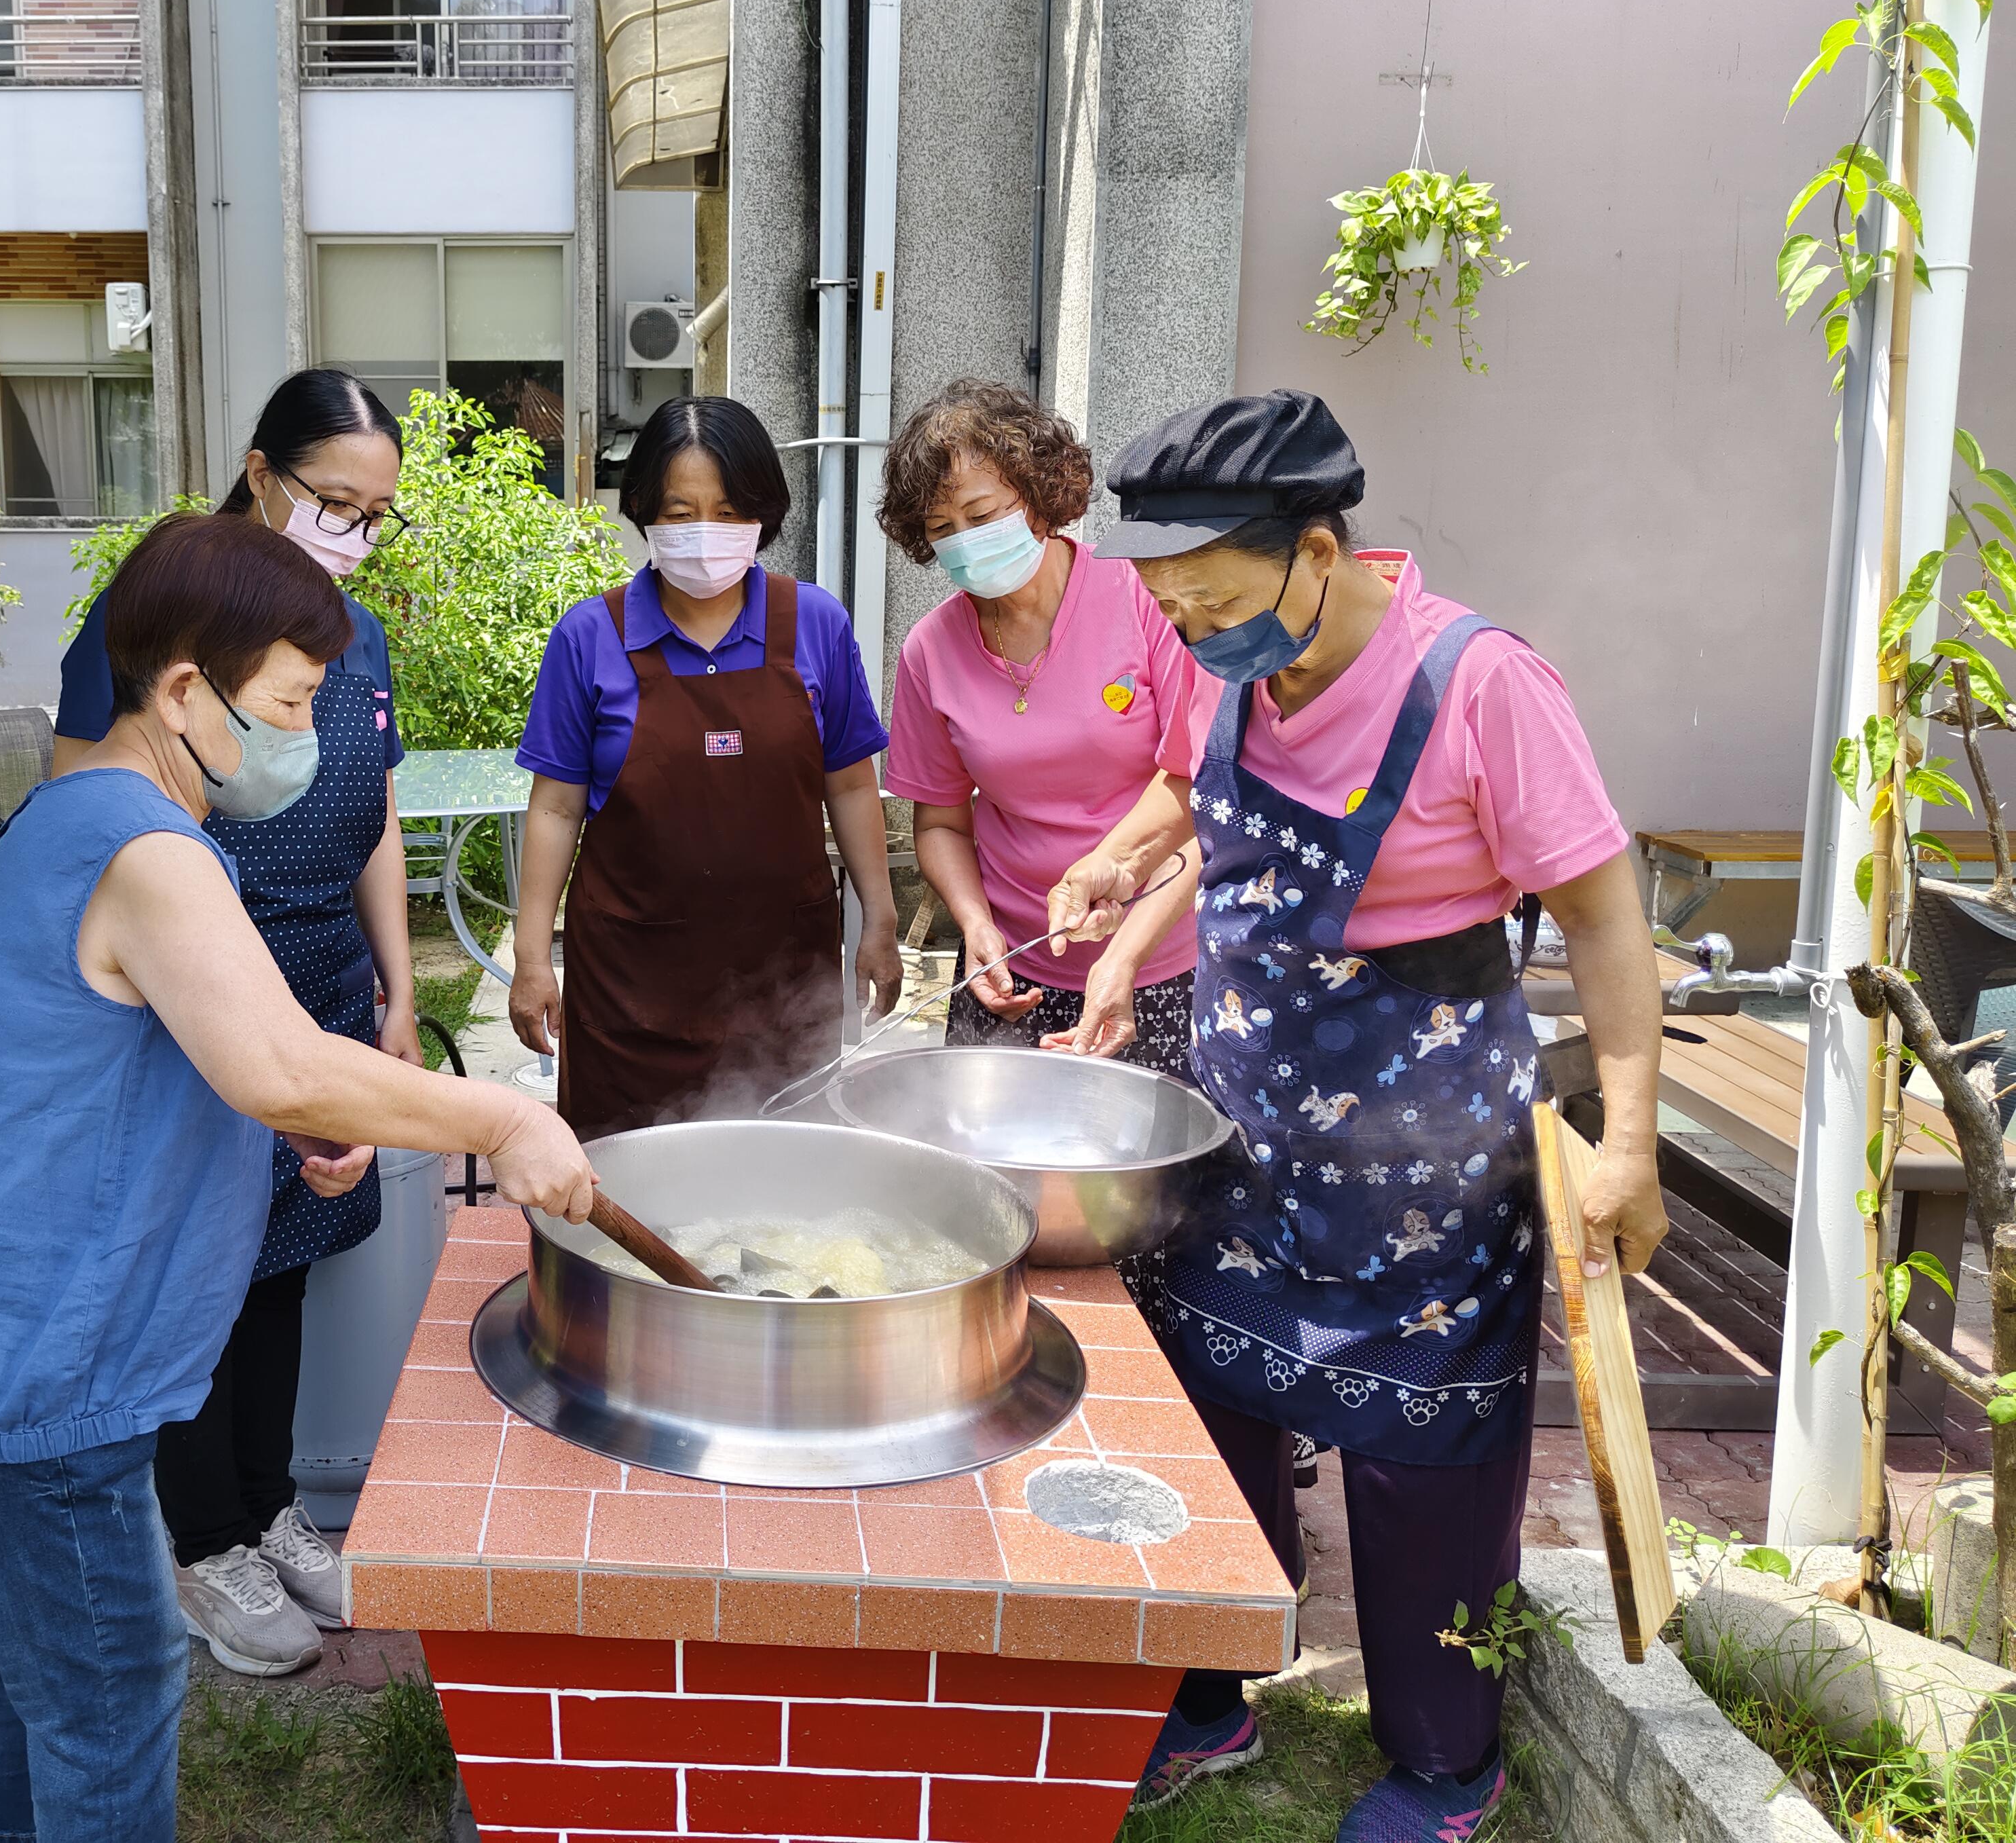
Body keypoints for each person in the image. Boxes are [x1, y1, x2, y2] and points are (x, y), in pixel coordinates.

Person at [0, 513, 597, 1843]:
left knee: (43, 1667)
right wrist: (498, 1118)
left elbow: (153, 1060)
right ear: (188, 691)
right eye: (293, 703)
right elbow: (276, 1058)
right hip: (27, 1373)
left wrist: (288, 1123)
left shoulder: (94, 817)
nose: (314, 737)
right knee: (113, 1684)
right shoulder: (145, 850)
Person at [1042, 391, 1667, 1843]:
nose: (1194, 637)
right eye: (1173, 611)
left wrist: (1629, 1144)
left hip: (1428, 1168)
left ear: (1321, 555)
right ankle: (1210, 1692)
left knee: (1422, 1463)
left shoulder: (1484, 686)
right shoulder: (1227, 667)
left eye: (1214, 604)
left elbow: (1603, 914)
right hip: (1248, 1133)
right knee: (1213, 1408)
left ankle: (1449, 1762)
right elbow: (1186, 791)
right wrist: (1111, 869)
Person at [50, 369, 417, 1678]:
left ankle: (272, 1509)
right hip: (198, 993)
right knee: (189, 1263)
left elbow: (370, 811)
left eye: (377, 518)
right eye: (333, 504)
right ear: (260, 473)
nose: (353, 536)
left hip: (320, 978)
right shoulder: (153, 617)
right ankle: (204, 1540)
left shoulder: (348, 632)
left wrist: (399, 990)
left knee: (286, 1255)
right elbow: (81, 815)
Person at [508, 394, 904, 1137]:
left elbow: (850, 783)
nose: (704, 534)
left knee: (788, 1200)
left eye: (728, 512)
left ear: (763, 512)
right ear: (644, 512)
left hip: (785, 978)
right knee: (625, 1203)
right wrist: (533, 957)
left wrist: (879, 919)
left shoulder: (815, 622)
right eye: (680, 510)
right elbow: (556, 807)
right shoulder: (589, 635)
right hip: (632, 986)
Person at [876, 378, 1201, 1072]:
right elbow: (937, 822)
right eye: (941, 529)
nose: (965, 541)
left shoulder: (1143, 597)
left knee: (1141, 1180)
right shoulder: (931, 650)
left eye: (981, 513)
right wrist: (975, 923)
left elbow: (1194, 784)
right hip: (1011, 966)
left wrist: (1120, 927)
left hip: (1151, 958)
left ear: (1039, 493)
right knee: (995, 1177)